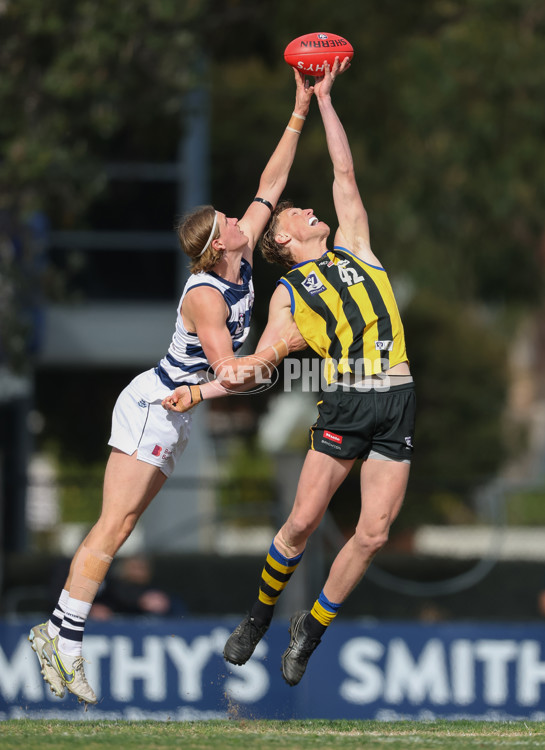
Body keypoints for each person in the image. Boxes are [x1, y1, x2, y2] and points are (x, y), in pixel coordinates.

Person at [28, 69, 314, 706]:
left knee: (122, 526)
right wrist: (283, 347)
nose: (241, 218)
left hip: (178, 410)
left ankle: (60, 633)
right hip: (156, 404)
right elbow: (229, 373)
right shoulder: (210, 293)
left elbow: (273, 181)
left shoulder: (235, 260)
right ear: (218, 246)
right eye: (228, 221)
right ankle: (61, 638)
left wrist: (299, 111)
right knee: (113, 525)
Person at [163, 56, 415, 687]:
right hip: (347, 405)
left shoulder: (356, 244)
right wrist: (201, 386)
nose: (307, 209)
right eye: (296, 212)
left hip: (399, 399)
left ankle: (312, 629)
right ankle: (259, 615)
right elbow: (258, 362)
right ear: (285, 240)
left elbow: (344, 170)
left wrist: (324, 100)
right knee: (302, 523)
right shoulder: (290, 292)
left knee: (375, 532)